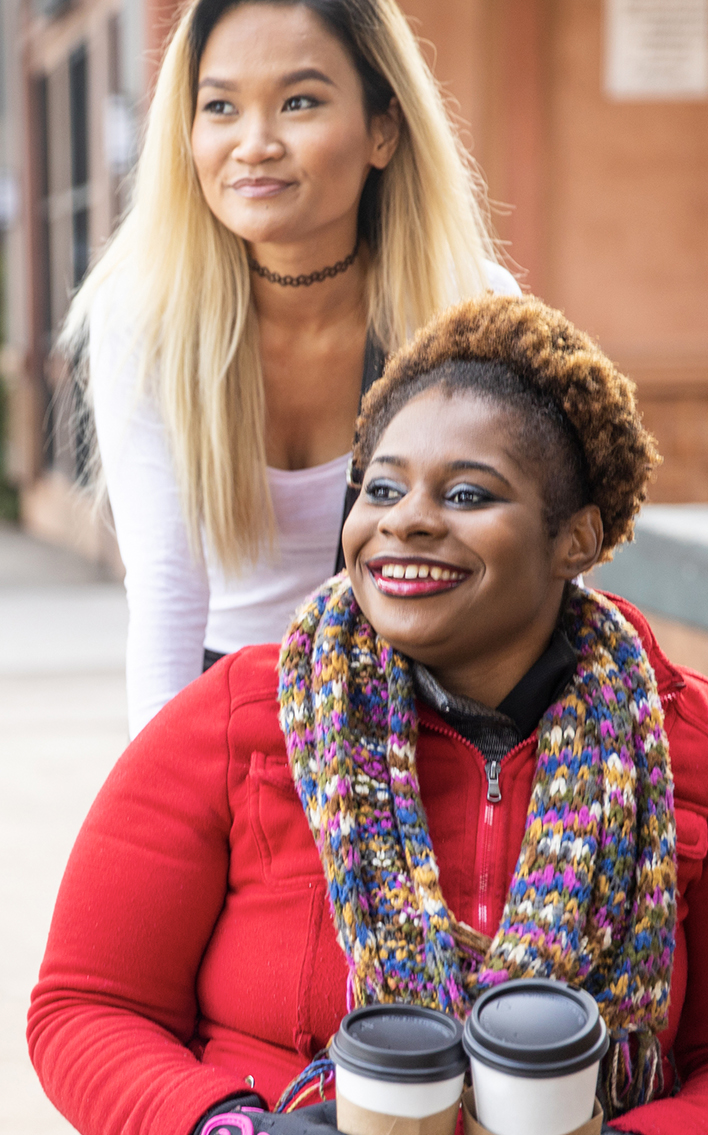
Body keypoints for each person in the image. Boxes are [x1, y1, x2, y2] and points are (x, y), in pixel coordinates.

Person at [29, 293, 708, 1135]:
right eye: (381, 487)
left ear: (577, 534)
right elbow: (84, 1005)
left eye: (469, 494)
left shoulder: (684, 745)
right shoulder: (238, 718)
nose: (405, 520)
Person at [64, 0, 519, 738]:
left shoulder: (469, 306)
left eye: (299, 102)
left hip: (431, 711)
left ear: (384, 128)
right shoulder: (142, 317)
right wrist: (165, 803)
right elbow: (167, 592)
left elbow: (536, 567)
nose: (254, 144)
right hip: (230, 708)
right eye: (220, 107)